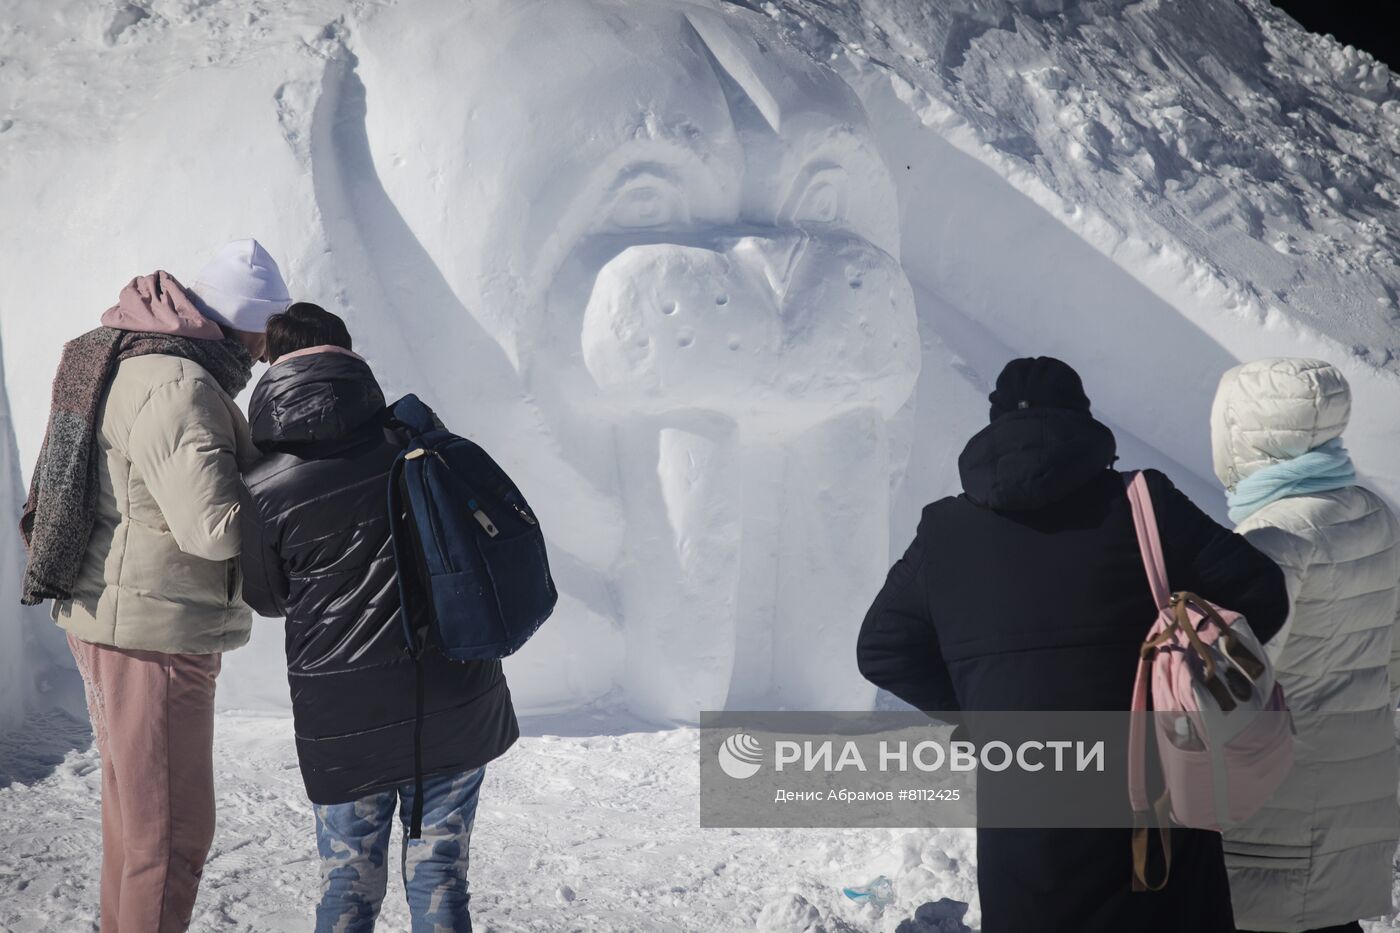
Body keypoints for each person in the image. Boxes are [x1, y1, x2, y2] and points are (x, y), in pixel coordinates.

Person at [857, 357, 1290, 933]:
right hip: (1154, 796)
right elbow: (1262, 593)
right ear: (1084, 422)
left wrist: (981, 713)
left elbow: (882, 649)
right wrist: (1182, 669)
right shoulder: (1144, 502)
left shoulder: (944, 530)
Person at [20, 238, 290, 932]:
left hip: (116, 616)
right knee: (170, 840)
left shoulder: (137, 352)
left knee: (137, 830)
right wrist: (294, 495)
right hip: (155, 634)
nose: (269, 351)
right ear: (248, 324)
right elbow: (215, 525)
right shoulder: (182, 384)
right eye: (270, 332)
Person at [237, 302, 518, 933]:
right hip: (449, 693)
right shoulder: (415, 439)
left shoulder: (260, 486)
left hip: (342, 716)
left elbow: (268, 598)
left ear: (273, 371)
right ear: (348, 358)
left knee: (347, 883)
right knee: (442, 875)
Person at [1210, 358, 1400, 933]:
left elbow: (1232, 686)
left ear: (1244, 437)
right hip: (1354, 788)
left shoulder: (1274, 538)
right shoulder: (1371, 512)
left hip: (1281, 804)